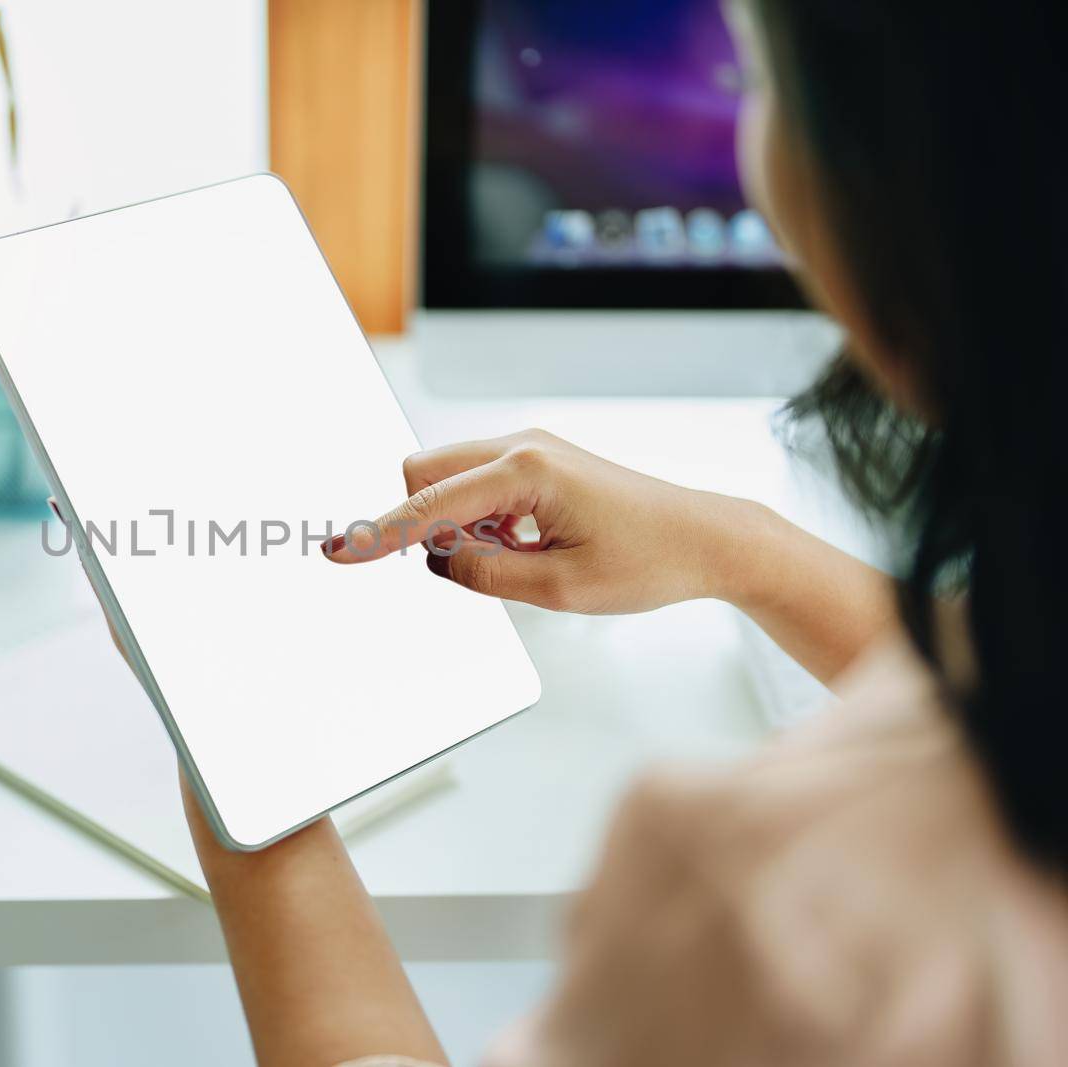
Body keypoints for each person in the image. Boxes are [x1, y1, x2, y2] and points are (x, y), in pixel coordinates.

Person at [88, 0, 1068, 1062]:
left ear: (901, 191)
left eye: (759, 75)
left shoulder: (770, 896)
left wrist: (246, 782)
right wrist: (732, 546)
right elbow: (1003, 684)